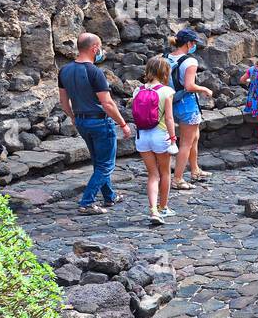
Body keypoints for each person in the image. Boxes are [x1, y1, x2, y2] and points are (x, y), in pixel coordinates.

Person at [58, 32, 133, 216]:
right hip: (99, 122)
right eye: (100, 47)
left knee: (98, 162)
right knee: (105, 165)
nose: (101, 50)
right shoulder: (94, 72)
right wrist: (122, 123)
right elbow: (107, 103)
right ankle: (87, 202)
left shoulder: (64, 70)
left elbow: (63, 101)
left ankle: (110, 196)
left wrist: (73, 117)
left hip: (82, 121)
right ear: (94, 48)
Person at [132, 56, 177, 226]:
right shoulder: (166, 92)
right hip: (160, 135)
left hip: (142, 136)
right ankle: (163, 207)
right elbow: (170, 118)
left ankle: (153, 210)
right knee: (165, 173)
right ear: (165, 72)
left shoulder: (137, 91)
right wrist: (173, 140)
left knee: (153, 175)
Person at [167, 29, 213, 190]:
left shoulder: (166, 58)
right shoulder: (190, 62)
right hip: (187, 103)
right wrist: (204, 89)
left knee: (195, 136)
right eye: (193, 43)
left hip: (171, 101)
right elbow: (189, 86)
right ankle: (177, 179)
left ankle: (195, 170)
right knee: (186, 142)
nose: (194, 46)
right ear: (188, 43)